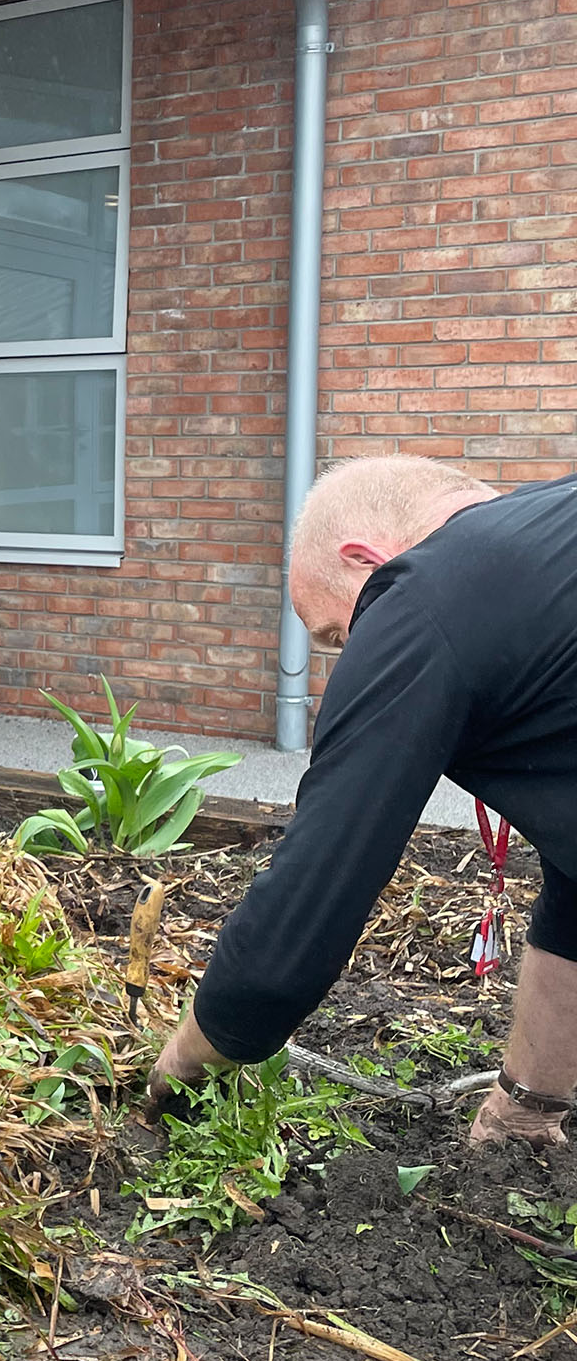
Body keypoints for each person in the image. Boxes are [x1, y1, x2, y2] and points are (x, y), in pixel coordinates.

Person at [150, 454, 577, 1148]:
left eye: (339, 635)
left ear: (365, 561)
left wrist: (189, 1056)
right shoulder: (547, 554)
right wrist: (525, 1108)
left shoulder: (422, 593)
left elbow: (315, 890)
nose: (351, 655)